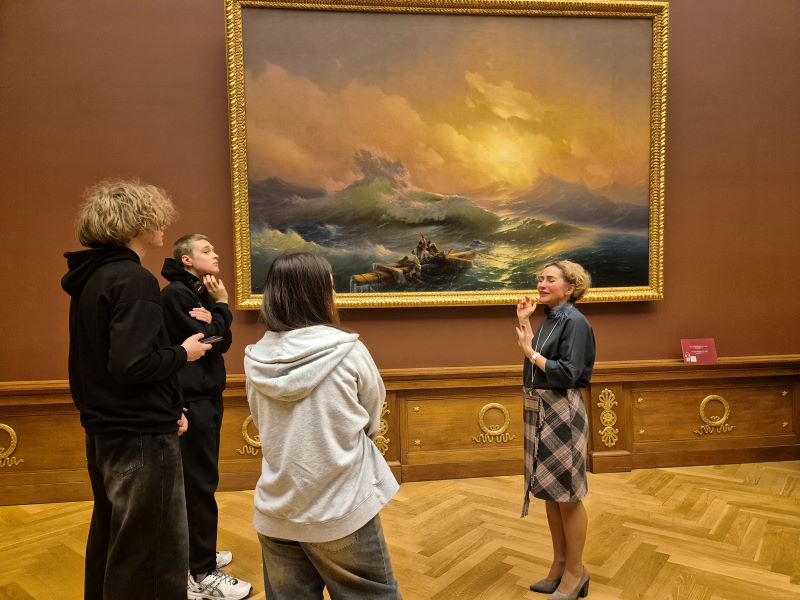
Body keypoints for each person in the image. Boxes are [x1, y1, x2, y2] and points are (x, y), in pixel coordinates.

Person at [61, 180, 211, 600]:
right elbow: (133, 365)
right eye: (155, 218)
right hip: (140, 437)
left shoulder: (93, 278)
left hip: (106, 432)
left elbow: (108, 365)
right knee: (153, 557)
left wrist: (170, 406)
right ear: (135, 224)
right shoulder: (134, 280)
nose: (162, 226)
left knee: (116, 543)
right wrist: (183, 353)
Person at [244, 252, 401, 600]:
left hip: (277, 507)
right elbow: (372, 416)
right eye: (330, 287)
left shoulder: (255, 357)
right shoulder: (349, 351)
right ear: (317, 295)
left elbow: (262, 423)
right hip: (341, 506)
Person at [160, 235, 252, 600]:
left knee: (202, 481)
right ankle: (200, 572)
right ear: (186, 260)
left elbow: (222, 341)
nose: (215, 255)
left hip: (206, 398)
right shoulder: (176, 295)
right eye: (206, 250)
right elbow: (206, 342)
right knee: (199, 485)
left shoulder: (197, 293)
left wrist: (215, 319)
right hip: (192, 402)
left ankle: (199, 554)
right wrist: (223, 307)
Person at [515, 260, 596, 600]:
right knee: (551, 493)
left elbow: (566, 373)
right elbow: (539, 363)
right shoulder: (552, 318)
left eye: (550, 279)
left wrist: (529, 351)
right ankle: (560, 566)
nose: (541, 284)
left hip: (562, 412)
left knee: (568, 497)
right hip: (542, 411)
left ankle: (576, 573)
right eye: (540, 278)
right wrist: (524, 322)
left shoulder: (575, 322)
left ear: (570, 287)